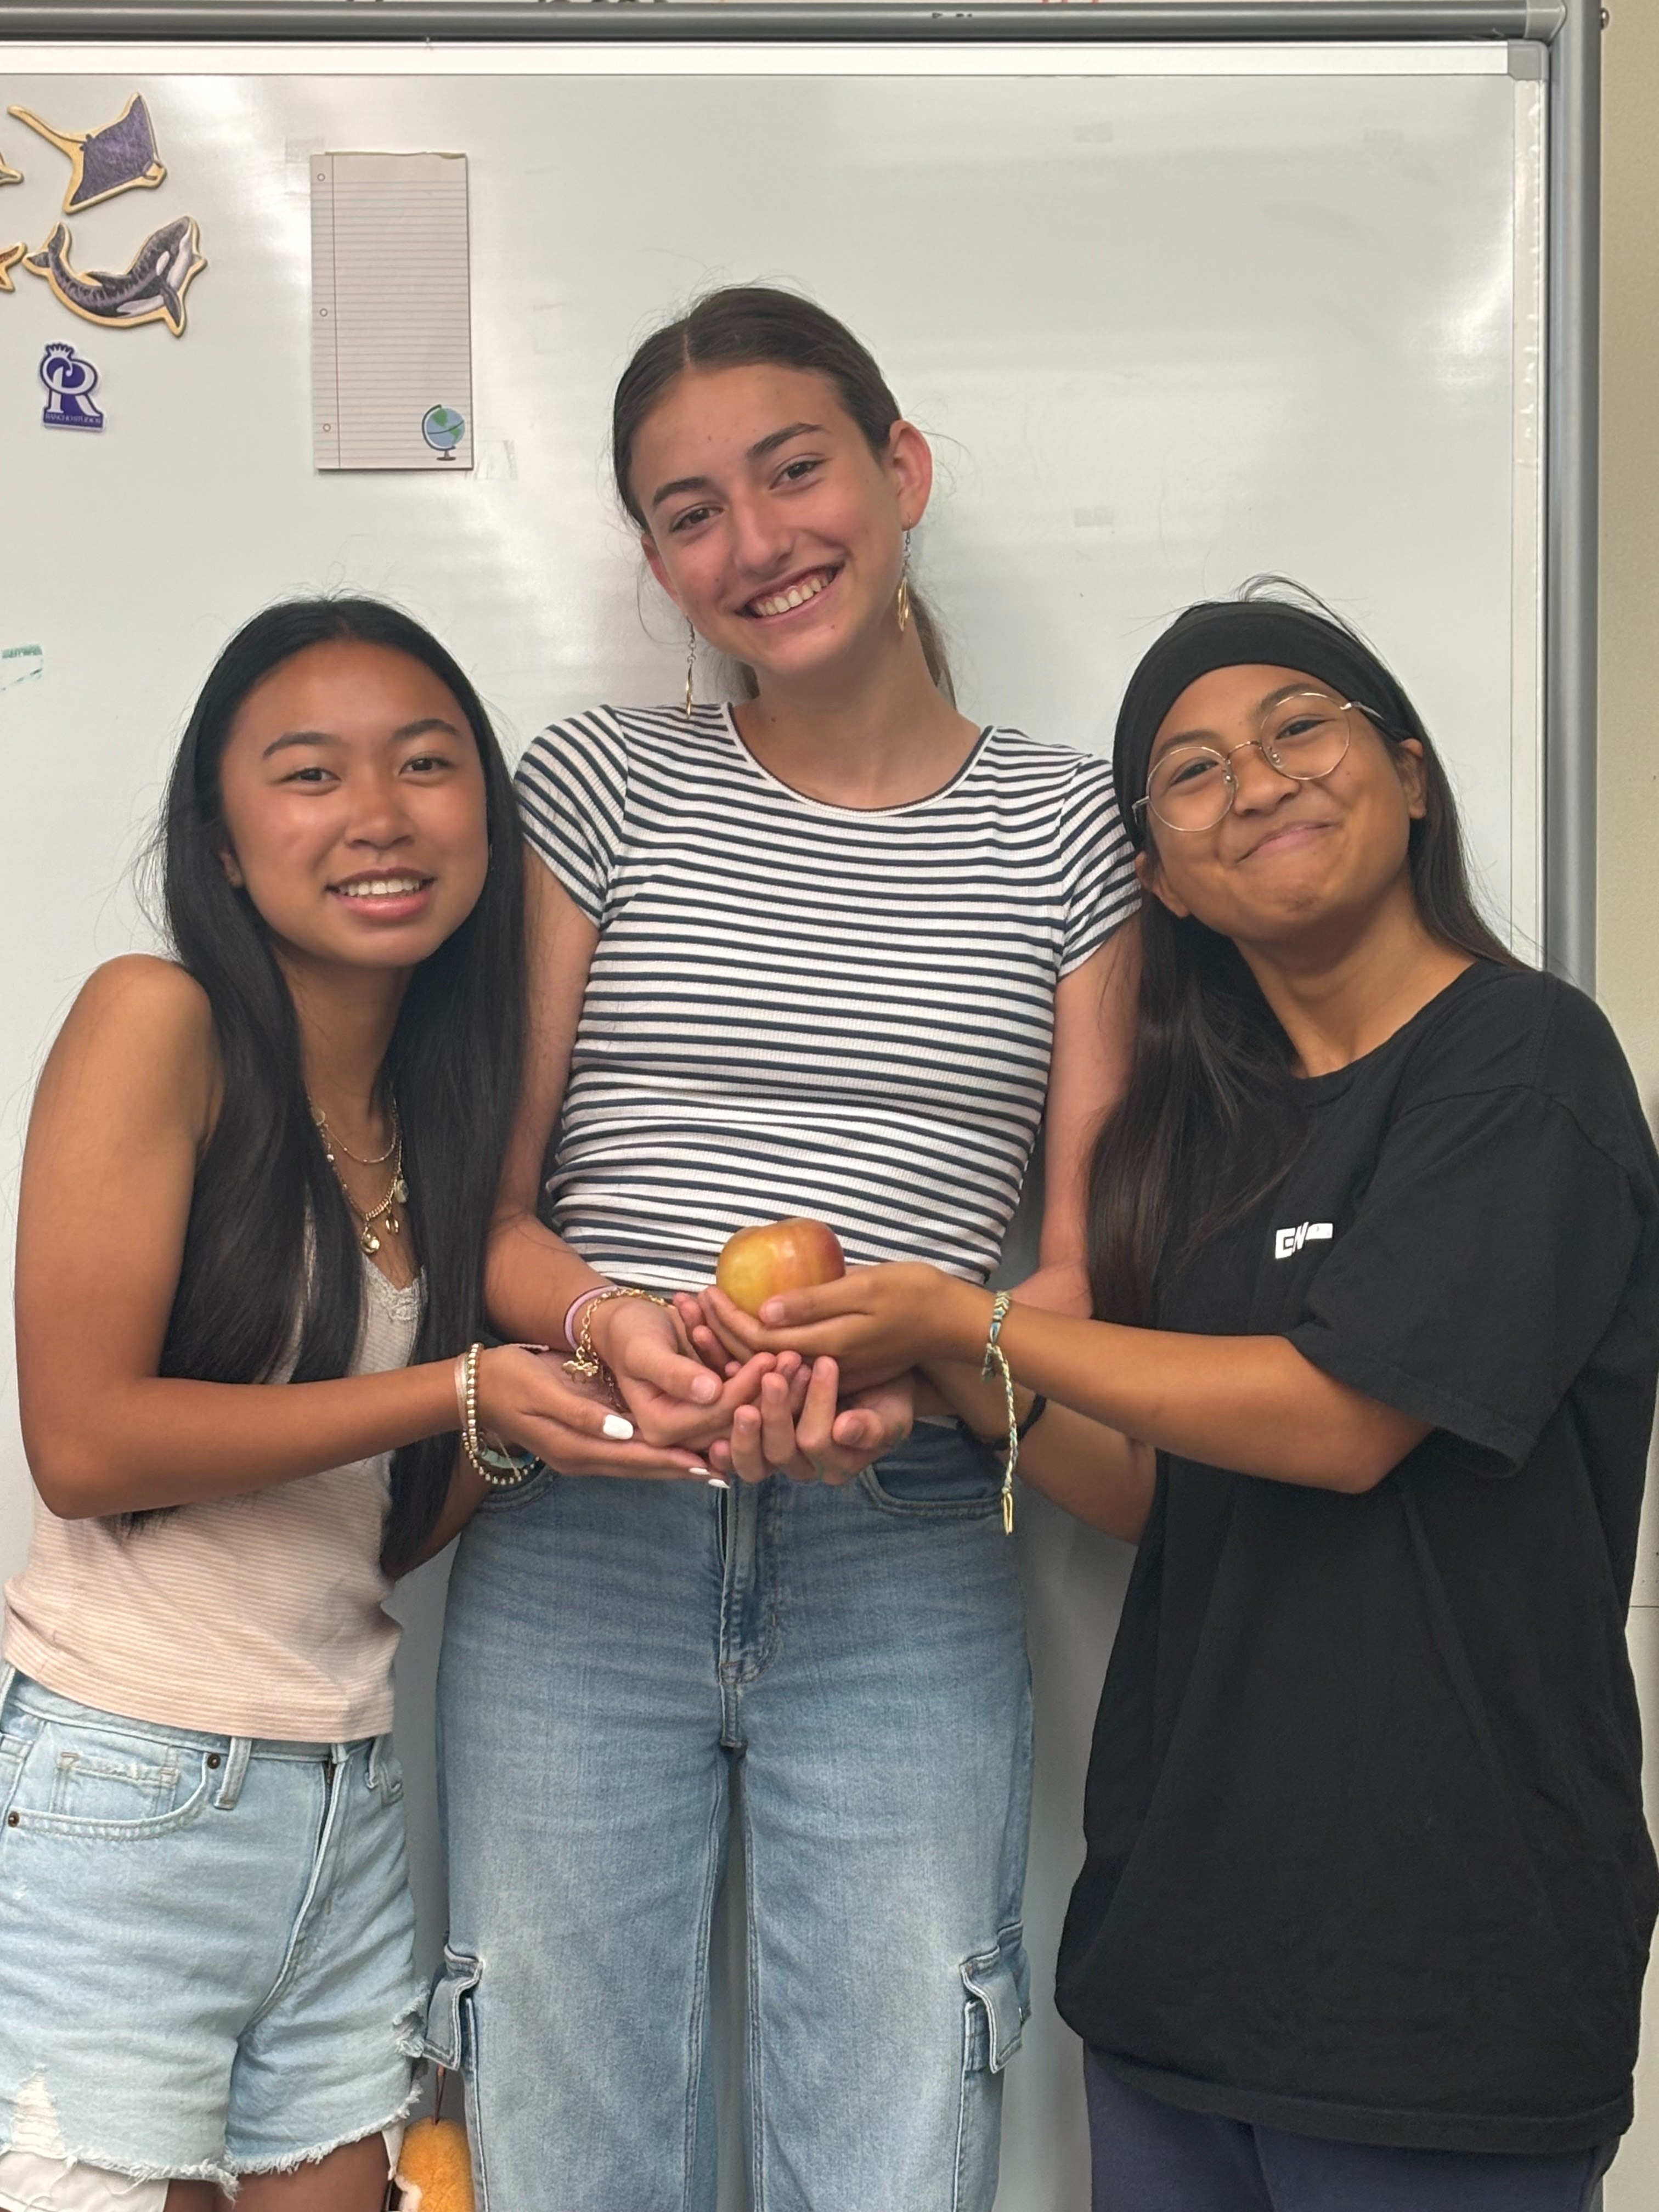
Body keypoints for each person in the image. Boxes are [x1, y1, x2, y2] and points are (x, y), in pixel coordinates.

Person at [706, 591, 1659, 2212]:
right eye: (1195, 772)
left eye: (1300, 731)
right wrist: (953, 1371)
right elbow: (1163, 1484)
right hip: (1183, 1961)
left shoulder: (1524, 1061)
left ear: (1409, 776)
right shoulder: (1196, 1135)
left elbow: (1342, 1425)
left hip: (1448, 1969)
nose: (1260, 783)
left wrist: (975, 1316)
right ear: (1160, 875)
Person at [433, 285, 1140, 2210]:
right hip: (585, 1532)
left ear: (900, 471)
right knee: (564, 2154)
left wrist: (927, 1375)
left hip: (905, 1544)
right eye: (689, 513)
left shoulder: (1074, 828)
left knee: (897, 2152)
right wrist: (607, 1324)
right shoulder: (597, 786)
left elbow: (1073, 1284)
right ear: (658, 563)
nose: (755, 542)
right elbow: (487, 1216)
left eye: (794, 471)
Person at [0, 599, 696, 2212]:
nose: (380, 815)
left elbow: (352, 1535)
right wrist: (456, 1383)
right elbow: (85, 1445)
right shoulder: (155, 1018)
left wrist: (555, 1419)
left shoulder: (434, 1118)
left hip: (343, 1788)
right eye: (310, 774)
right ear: (223, 843)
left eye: (427, 766)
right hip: (130, 1782)